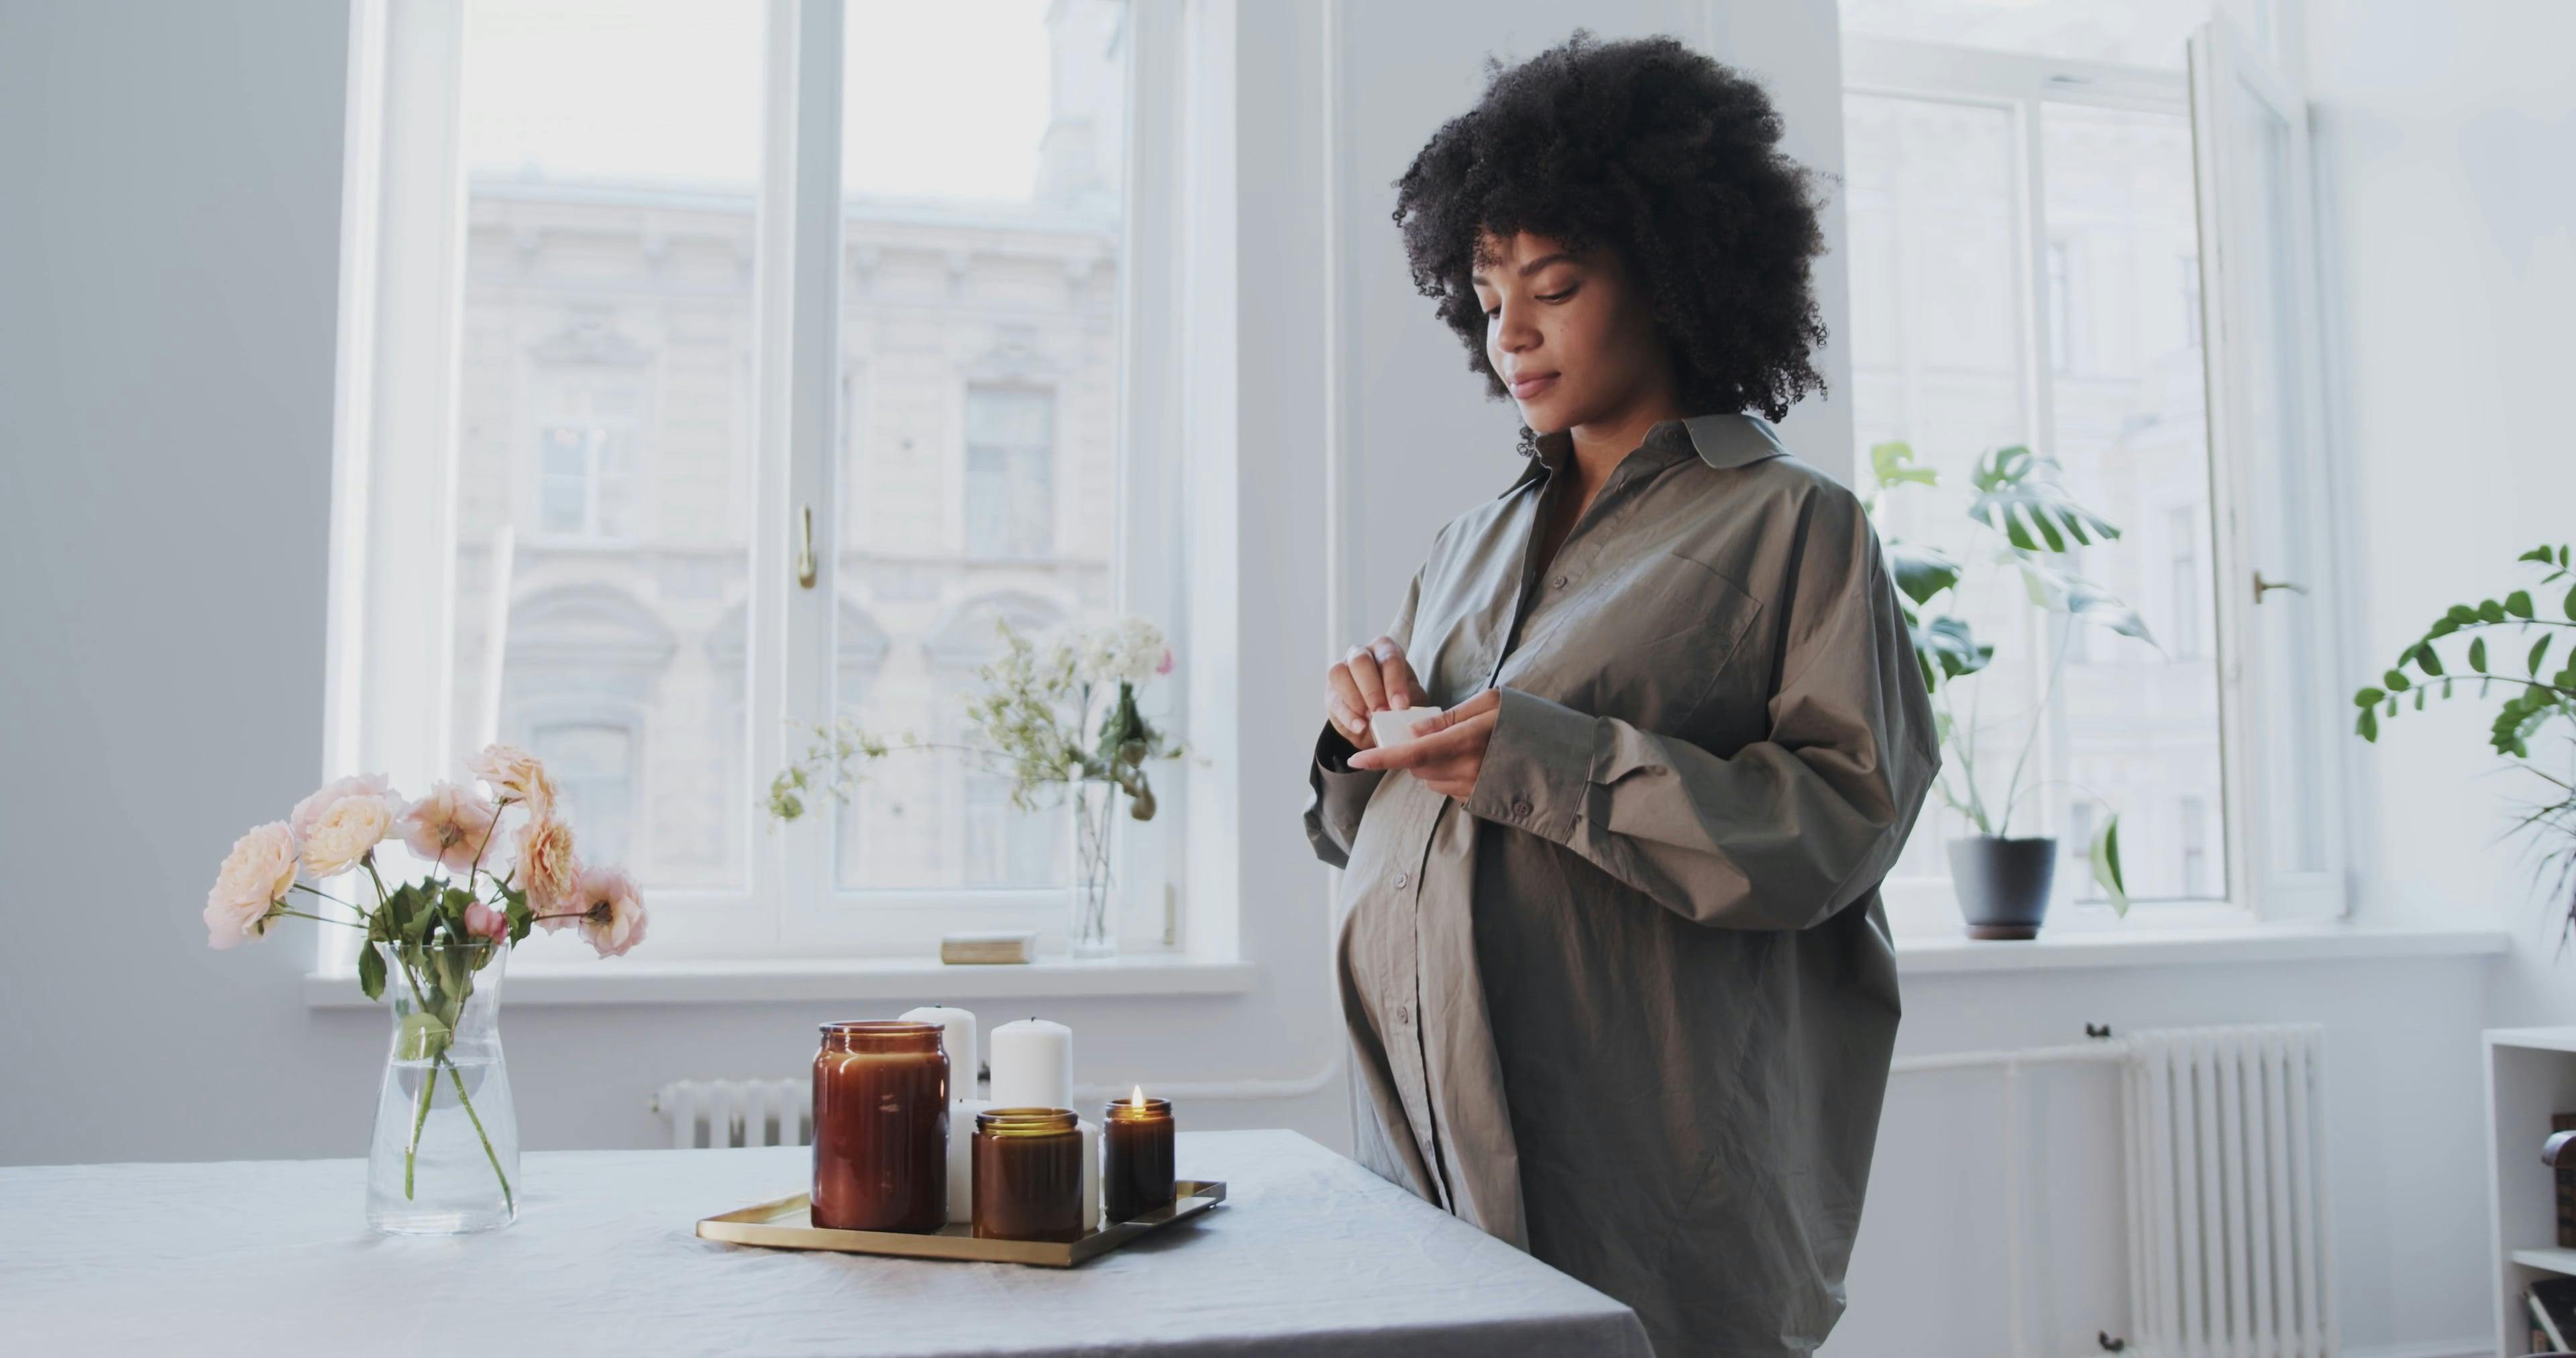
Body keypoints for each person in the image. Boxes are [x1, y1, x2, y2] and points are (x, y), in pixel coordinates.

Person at [1303, 31, 1939, 1356]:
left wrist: (1542, 756)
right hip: (1421, 1138)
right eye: (1486, 292)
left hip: (1646, 1158)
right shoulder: (1468, 539)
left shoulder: (1795, 528)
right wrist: (1360, 737)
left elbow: (1838, 827)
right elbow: (1385, 825)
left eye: (1556, 282)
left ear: (1669, 271)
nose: (1510, 329)